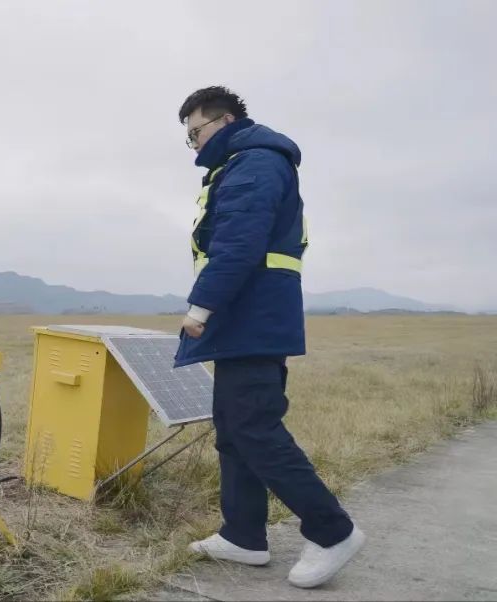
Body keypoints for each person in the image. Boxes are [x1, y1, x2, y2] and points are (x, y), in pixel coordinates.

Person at [173, 86, 365, 589]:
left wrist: (201, 306)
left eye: (196, 131)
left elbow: (238, 241)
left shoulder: (254, 161)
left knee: (254, 427)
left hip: (251, 317)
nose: (192, 144)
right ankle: (243, 536)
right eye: (187, 137)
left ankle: (332, 531)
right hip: (246, 319)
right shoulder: (240, 162)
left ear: (225, 120)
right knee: (235, 429)